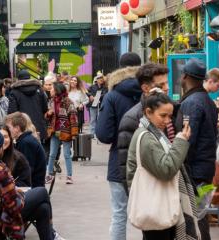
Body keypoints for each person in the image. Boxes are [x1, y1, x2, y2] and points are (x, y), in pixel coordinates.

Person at [0, 129, 64, 240]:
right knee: (42, 192)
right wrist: (20, 194)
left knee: (43, 209)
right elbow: (13, 205)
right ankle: (52, 234)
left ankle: (51, 236)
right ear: (0, 147)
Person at [126, 91, 199, 240]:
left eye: (170, 116)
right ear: (148, 112)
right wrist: (181, 141)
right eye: (163, 115)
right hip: (155, 207)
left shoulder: (154, 134)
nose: (167, 121)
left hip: (156, 205)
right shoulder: (147, 138)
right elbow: (166, 169)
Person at [96, 52, 143, 240]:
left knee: (119, 213)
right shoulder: (150, 92)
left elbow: (104, 134)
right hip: (149, 160)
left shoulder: (112, 95)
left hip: (119, 161)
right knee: (152, 213)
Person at [177, 58, 217, 240]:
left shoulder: (191, 103)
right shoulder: (207, 101)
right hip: (206, 169)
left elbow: (188, 140)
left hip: (195, 173)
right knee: (201, 215)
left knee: (195, 218)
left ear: (184, 76)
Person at [117, 63, 172, 191]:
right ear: (145, 88)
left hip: (169, 187)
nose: (167, 88)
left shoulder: (172, 110)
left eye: (167, 83)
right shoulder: (132, 119)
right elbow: (127, 166)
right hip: (148, 191)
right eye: (161, 85)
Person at [5, 112, 48, 187]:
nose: (7, 130)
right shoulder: (25, 140)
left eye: (9, 127)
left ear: (17, 128)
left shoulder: (26, 143)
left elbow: (27, 171)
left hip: (33, 187)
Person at [46, 83, 76, 184]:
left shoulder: (68, 102)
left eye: (52, 88)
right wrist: (48, 114)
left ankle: (69, 176)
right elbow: (47, 116)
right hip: (54, 131)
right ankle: (49, 175)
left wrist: (74, 133)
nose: (50, 90)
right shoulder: (51, 101)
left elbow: (73, 117)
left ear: (57, 90)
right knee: (52, 154)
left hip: (65, 131)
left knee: (67, 154)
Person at [8, 70, 50, 142]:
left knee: (23, 150)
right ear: (29, 78)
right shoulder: (39, 89)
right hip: (38, 126)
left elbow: (12, 112)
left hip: (22, 127)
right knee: (38, 149)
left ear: (18, 79)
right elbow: (45, 108)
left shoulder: (14, 92)